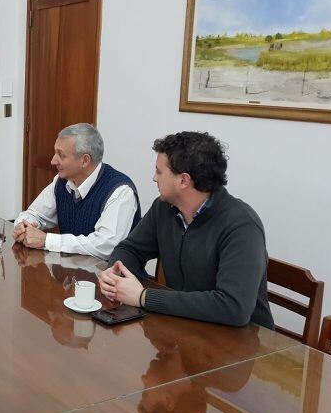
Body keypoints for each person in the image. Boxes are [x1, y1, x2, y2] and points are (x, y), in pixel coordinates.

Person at [99, 131, 275, 329]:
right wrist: (115, 274)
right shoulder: (163, 208)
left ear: (183, 180)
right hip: (186, 327)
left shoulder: (242, 226)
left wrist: (143, 297)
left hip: (243, 342)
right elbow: (130, 249)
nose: (154, 178)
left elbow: (233, 307)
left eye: (159, 171)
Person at [13, 123, 141, 258]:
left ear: (85, 160)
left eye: (61, 155)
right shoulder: (62, 181)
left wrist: (47, 240)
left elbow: (106, 246)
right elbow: (35, 214)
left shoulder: (120, 191)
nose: (53, 161)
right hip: (72, 273)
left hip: (115, 277)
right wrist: (23, 226)